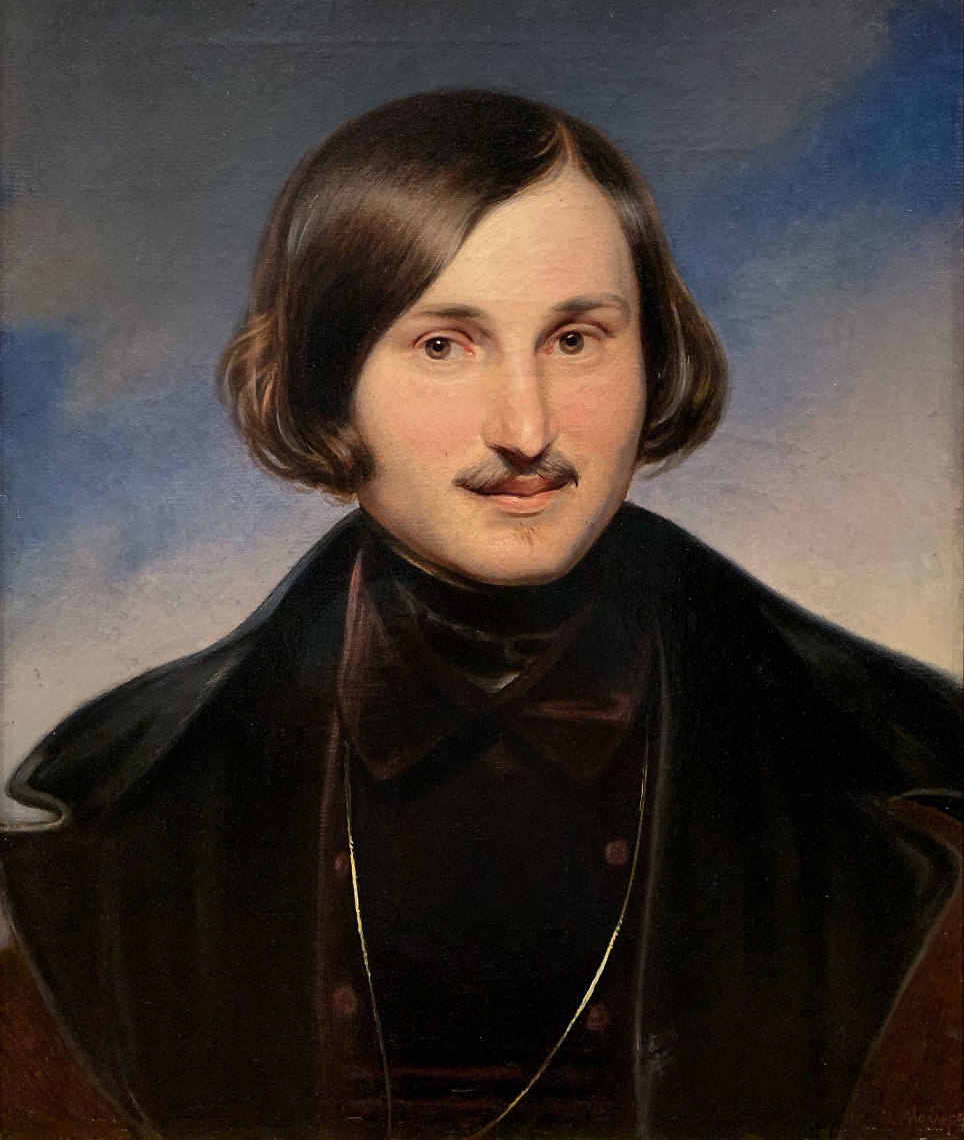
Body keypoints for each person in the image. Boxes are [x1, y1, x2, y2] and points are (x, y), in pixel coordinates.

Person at [0, 90, 960, 1140]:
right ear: (325, 381)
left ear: (653, 358)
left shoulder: (899, 787)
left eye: (576, 339)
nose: (525, 427)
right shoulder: (119, 830)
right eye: (444, 345)